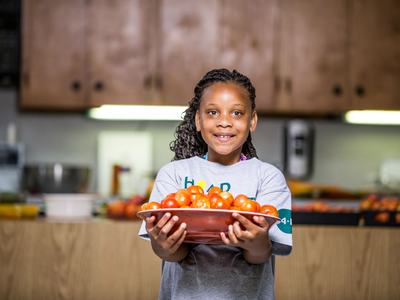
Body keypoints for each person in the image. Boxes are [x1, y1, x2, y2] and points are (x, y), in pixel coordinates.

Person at [139, 68, 292, 300]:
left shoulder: (268, 177)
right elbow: (171, 253)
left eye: (237, 113)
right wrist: (163, 243)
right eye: (212, 112)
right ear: (198, 120)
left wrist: (256, 241)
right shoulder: (174, 174)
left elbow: (260, 255)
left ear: (252, 121)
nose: (224, 122)